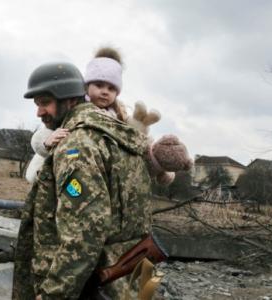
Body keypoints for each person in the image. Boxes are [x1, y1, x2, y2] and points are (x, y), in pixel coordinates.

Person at [13, 62, 159, 299]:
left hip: (98, 282)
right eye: (37, 105)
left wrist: (52, 294)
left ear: (68, 99)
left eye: (44, 103)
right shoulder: (119, 134)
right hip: (136, 275)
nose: (39, 112)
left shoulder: (76, 145)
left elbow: (84, 232)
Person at [25, 47, 182, 186]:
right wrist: (47, 143)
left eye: (111, 88)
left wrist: (159, 163)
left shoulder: (118, 115)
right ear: (87, 86)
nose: (105, 91)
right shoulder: (72, 111)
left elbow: (137, 143)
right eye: (99, 85)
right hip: (56, 177)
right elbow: (39, 138)